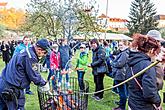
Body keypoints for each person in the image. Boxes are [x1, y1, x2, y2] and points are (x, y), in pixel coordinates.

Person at [0, 38, 50, 110]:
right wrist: (43, 83)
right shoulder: (31, 56)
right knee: (17, 107)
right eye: (44, 52)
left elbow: (30, 70)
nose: (45, 55)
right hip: (12, 87)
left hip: (4, 82)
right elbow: (34, 74)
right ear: (39, 49)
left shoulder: (28, 50)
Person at [126, 34, 162, 110]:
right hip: (143, 107)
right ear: (152, 50)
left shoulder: (131, 59)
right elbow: (150, 93)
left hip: (132, 103)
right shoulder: (147, 66)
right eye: (156, 52)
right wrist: (158, 102)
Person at [112, 41, 129, 110]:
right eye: (119, 45)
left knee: (122, 92)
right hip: (121, 74)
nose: (120, 46)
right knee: (122, 91)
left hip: (121, 75)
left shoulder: (124, 53)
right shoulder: (124, 52)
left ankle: (122, 107)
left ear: (126, 45)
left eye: (121, 45)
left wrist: (113, 63)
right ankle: (121, 103)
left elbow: (120, 64)